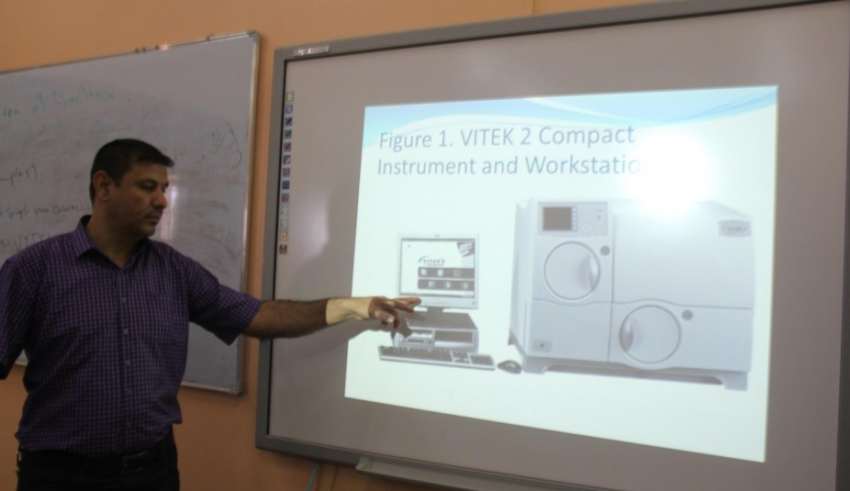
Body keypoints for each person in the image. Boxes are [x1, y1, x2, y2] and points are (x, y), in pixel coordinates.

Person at [0, 138, 418, 491]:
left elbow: (258, 316)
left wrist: (354, 307)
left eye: (164, 189)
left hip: (151, 472)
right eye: (147, 187)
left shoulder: (174, 270)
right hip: (60, 475)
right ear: (103, 186)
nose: (162, 201)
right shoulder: (34, 270)